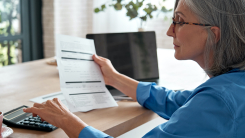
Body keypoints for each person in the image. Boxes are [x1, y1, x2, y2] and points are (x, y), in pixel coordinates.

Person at [23, 0, 245, 137]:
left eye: (179, 20)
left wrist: (66, 120)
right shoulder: (232, 87)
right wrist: (116, 78)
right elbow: (177, 101)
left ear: (213, 35)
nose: (170, 31)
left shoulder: (218, 102)